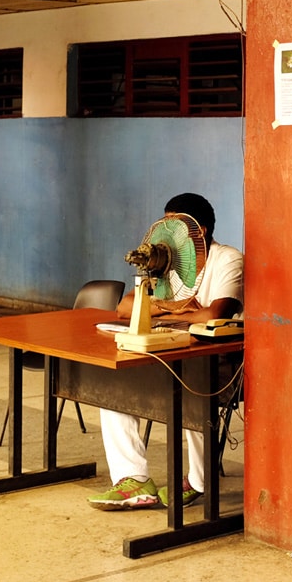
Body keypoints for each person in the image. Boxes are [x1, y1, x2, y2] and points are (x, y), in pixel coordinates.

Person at [87, 192, 243, 511]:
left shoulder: (227, 258)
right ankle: (132, 480)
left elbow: (215, 314)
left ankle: (199, 481)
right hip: (166, 351)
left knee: (191, 396)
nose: (168, 233)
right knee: (114, 386)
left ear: (200, 231)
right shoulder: (167, 262)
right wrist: (180, 310)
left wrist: (160, 310)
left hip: (216, 361)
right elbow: (125, 307)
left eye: (177, 225)